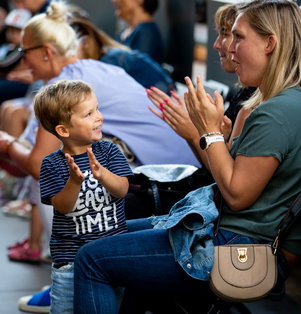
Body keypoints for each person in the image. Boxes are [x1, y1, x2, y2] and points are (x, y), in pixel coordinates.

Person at [73, 1, 301, 313]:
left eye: (239, 37)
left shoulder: (277, 112)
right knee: (102, 236)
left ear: (270, 43)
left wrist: (208, 131)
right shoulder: (287, 102)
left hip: (236, 248)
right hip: (228, 233)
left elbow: (238, 196)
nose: (229, 47)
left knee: (90, 259)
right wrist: (218, 137)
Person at [0, 1, 198, 311]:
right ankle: (70, 276)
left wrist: (7, 144)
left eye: (26, 53)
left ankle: (67, 277)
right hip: (185, 171)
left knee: (56, 177)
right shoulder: (99, 68)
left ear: (47, 53)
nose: (23, 62)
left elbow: (40, 165)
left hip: (166, 182)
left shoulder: (62, 89)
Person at [33, 79, 133, 313]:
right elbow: (63, 206)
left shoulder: (109, 151)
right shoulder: (52, 165)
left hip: (111, 257)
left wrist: (103, 175)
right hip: (71, 263)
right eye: (88, 114)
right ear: (64, 130)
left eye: (97, 109)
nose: (98, 117)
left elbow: (122, 189)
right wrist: (74, 182)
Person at [147, 3, 255, 168]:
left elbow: (226, 179)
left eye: (228, 34)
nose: (217, 44)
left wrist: (194, 133)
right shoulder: (244, 92)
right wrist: (194, 126)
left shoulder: (253, 104)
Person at [70, 17, 175, 94]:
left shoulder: (108, 62)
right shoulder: (109, 57)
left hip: (163, 101)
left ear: (86, 41)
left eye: (71, 47)